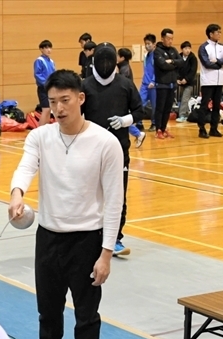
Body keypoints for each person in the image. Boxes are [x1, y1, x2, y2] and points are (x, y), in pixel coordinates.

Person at [8, 70, 124, 339]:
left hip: (87, 241)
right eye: (53, 102)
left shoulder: (106, 143)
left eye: (65, 100)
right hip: (48, 237)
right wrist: (17, 195)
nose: (58, 108)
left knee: (86, 315)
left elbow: (115, 200)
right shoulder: (41, 137)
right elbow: (25, 167)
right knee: (48, 310)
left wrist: (106, 254)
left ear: (80, 99)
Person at [82, 43, 144, 257]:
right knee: (90, 194)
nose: (106, 65)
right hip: (89, 151)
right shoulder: (85, 86)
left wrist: (125, 120)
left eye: (110, 60)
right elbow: (75, 114)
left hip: (119, 150)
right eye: (102, 60)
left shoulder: (125, 85)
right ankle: (90, 236)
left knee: (117, 195)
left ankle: (115, 238)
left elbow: (139, 109)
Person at [197, 23, 223, 139]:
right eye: (218, 32)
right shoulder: (204, 47)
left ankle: (214, 128)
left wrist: (217, 61)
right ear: (211, 34)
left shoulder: (222, 47)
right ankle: (201, 128)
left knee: (217, 105)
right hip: (207, 80)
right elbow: (206, 63)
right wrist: (219, 64)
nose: (220, 34)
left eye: (220, 32)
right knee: (204, 105)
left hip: (219, 80)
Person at [152, 28, 183, 139]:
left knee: (168, 108)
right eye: (168, 38)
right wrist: (172, 64)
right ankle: (158, 129)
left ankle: (164, 128)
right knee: (160, 108)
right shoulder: (157, 51)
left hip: (172, 84)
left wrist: (172, 61)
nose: (170, 41)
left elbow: (181, 62)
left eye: (172, 39)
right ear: (162, 38)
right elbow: (162, 65)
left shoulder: (174, 50)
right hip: (161, 84)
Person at [118, 47, 147, 148]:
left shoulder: (124, 70)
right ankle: (138, 134)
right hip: (125, 96)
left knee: (122, 119)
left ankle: (138, 134)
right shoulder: (124, 67)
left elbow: (122, 85)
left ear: (122, 57)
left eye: (118, 55)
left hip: (124, 97)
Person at [34, 40, 56, 126]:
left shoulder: (51, 62)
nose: (49, 50)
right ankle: (40, 131)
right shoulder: (39, 61)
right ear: (41, 49)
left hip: (50, 88)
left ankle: (45, 129)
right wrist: (46, 84)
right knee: (46, 109)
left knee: (49, 109)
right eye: (46, 48)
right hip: (43, 88)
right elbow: (37, 74)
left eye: (50, 47)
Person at [139, 33, 157, 132]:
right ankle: (139, 123)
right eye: (146, 43)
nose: (147, 45)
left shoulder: (157, 55)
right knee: (139, 102)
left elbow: (157, 70)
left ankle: (154, 123)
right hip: (145, 84)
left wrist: (153, 81)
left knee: (154, 106)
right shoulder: (146, 55)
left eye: (149, 43)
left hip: (153, 84)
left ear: (154, 44)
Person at [176, 41, 197, 122]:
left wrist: (186, 79)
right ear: (182, 49)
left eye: (189, 48)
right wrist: (177, 79)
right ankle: (185, 113)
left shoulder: (193, 58)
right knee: (179, 97)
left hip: (189, 82)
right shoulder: (179, 56)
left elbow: (193, 71)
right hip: (180, 81)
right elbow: (175, 68)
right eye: (185, 48)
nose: (187, 50)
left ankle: (182, 115)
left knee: (185, 98)